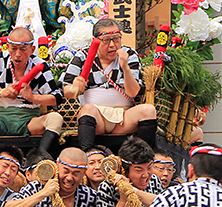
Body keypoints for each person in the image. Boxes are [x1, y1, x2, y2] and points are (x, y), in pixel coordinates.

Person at [0, 26, 64, 164]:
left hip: (29, 120)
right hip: (2, 120)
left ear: (32, 50)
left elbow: (56, 98)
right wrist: (2, 92)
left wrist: (32, 97)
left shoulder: (40, 65)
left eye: (23, 49)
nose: (17, 54)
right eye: (13, 48)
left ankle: (38, 160)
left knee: (55, 118)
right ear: (7, 47)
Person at [62, 18, 157, 151]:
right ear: (95, 40)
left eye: (116, 39)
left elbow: (133, 92)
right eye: (106, 40)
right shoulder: (83, 55)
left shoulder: (129, 54)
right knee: (88, 109)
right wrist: (75, 87)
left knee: (148, 110)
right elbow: (66, 91)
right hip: (96, 118)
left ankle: (141, 156)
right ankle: (88, 154)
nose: (112, 45)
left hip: (123, 117)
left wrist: (125, 67)